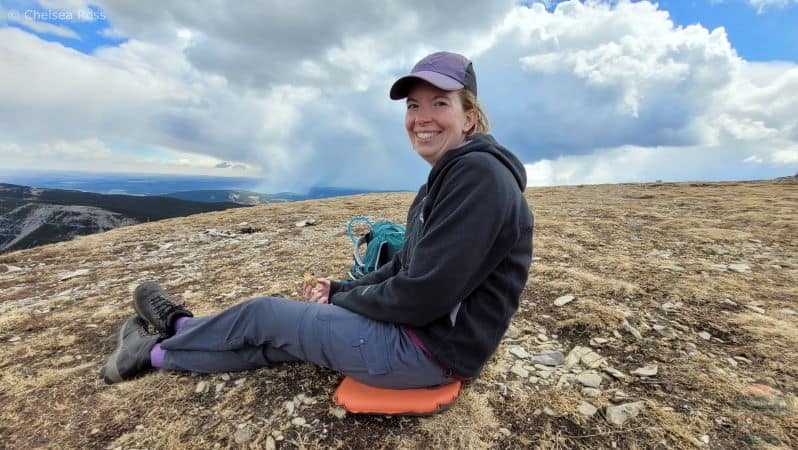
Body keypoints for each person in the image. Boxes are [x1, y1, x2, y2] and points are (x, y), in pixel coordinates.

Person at [99, 51, 534, 389]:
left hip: (428, 350)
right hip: (427, 339)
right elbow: (405, 268)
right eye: (414, 105)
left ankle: (171, 330)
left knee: (264, 316)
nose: (421, 118)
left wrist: (340, 302)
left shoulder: (479, 176)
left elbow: (423, 297)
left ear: (469, 116)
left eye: (439, 103)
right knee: (278, 340)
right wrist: (342, 289)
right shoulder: (445, 179)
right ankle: (155, 352)